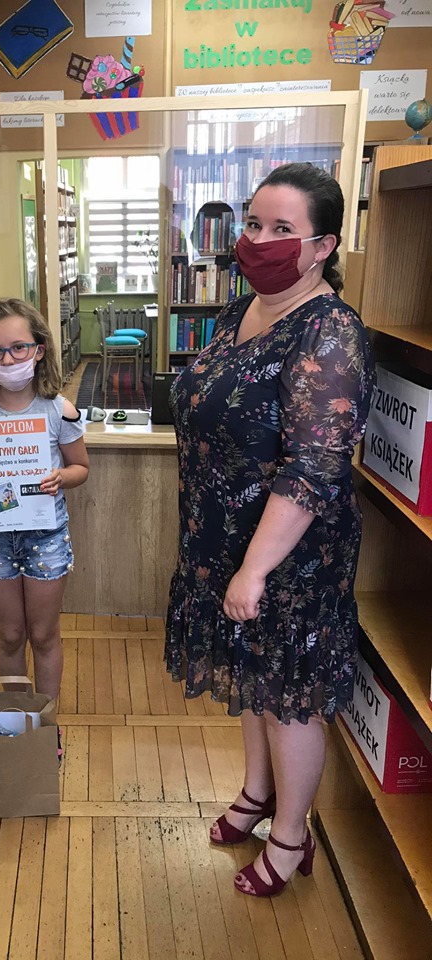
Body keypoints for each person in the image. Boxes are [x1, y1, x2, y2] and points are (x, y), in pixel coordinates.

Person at [165, 163, 375, 898]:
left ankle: (292, 836)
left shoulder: (330, 332)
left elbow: (316, 466)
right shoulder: (240, 311)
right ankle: (257, 795)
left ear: (323, 246)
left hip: (289, 557)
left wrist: (253, 570)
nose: (259, 240)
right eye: (253, 223)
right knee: (253, 678)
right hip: (223, 536)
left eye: (283, 228)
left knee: (289, 697)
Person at [0, 298, 89, 709]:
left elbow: (81, 467)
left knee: (43, 635)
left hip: (46, 536)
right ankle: (15, 723)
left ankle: (44, 725)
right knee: (10, 634)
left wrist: (61, 477)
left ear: (39, 350)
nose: (8, 359)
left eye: (18, 348)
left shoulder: (57, 409)